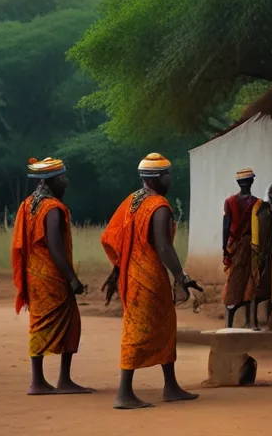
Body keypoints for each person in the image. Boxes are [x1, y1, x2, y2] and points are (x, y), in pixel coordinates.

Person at [100, 152, 202, 410]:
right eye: (168, 175)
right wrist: (182, 276)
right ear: (157, 178)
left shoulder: (132, 200)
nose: (171, 179)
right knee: (137, 331)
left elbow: (115, 238)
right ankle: (124, 393)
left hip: (130, 273)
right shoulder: (159, 206)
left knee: (164, 326)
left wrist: (116, 272)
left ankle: (171, 386)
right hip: (149, 276)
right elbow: (164, 247)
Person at [11, 157, 92, 395]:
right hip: (53, 277)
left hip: (34, 275)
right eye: (62, 178)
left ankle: (40, 380)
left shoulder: (28, 204)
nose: (65, 182)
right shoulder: (52, 209)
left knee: (39, 324)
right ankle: (60, 380)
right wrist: (72, 279)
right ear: (53, 180)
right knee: (70, 324)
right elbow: (56, 247)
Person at [221, 168, 262, 328]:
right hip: (250, 246)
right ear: (252, 182)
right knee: (249, 279)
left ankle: (230, 322)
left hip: (234, 245)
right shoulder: (257, 203)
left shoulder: (230, 202)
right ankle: (248, 321)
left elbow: (226, 226)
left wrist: (225, 248)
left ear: (238, 183)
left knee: (233, 279)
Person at [251, 183, 272, 331]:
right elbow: (262, 234)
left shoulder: (268, 210)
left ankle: (265, 319)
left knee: (264, 286)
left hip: (265, 252)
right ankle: (253, 321)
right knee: (257, 285)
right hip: (260, 253)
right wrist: (262, 254)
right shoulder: (264, 210)